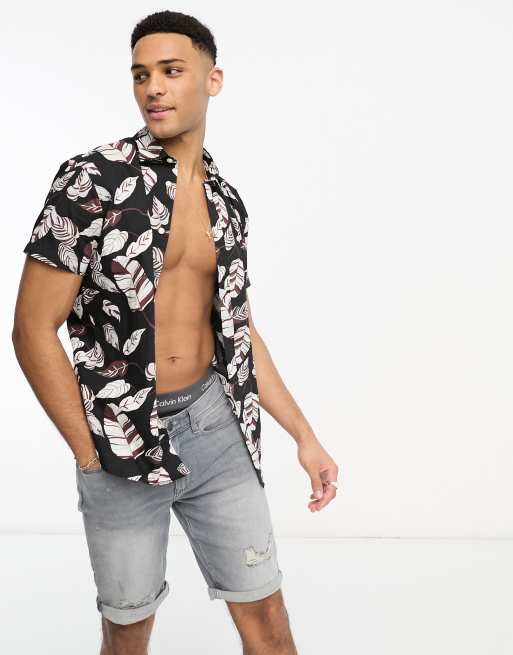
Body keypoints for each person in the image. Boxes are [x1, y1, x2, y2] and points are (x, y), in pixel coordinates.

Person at [12, 10, 339, 655]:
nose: (154, 88)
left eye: (171, 71)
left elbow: (238, 330)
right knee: (128, 632)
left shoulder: (227, 202)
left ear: (212, 80)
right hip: (119, 439)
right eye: (141, 75)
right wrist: (89, 453)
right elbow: (31, 329)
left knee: (269, 623)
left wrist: (304, 435)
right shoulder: (93, 180)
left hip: (216, 427)